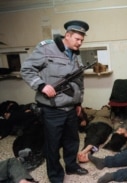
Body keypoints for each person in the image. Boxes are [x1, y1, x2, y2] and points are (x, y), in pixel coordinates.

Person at [20, 20, 89, 183]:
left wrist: (78, 103)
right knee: (53, 144)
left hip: (71, 108)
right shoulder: (47, 49)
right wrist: (42, 85)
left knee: (72, 141)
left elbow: (79, 82)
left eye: (82, 40)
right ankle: (56, 176)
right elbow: (26, 70)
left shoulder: (75, 55)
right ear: (67, 35)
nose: (80, 43)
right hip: (52, 108)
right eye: (77, 39)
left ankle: (71, 166)